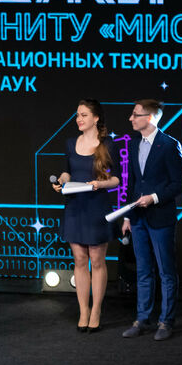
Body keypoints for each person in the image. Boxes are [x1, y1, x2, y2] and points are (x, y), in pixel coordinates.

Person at [120, 99, 182, 341]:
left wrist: (154, 198)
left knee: (166, 271)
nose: (131, 118)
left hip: (161, 217)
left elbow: (180, 183)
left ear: (149, 118)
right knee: (143, 270)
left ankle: (166, 321)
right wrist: (127, 215)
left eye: (135, 114)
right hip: (138, 219)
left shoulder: (169, 145)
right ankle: (142, 319)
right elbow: (132, 184)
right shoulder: (134, 144)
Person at [53, 99, 119, 333]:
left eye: (83, 115)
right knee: (80, 260)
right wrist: (61, 181)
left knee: (97, 261)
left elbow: (116, 179)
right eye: (77, 115)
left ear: (96, 118)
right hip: (74, 207)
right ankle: (83, 311)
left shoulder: (108, 144)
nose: (79, 119)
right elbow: (67, 172)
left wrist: (99, 184)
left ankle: (96, 310)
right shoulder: (71, 143)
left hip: (96, 207)